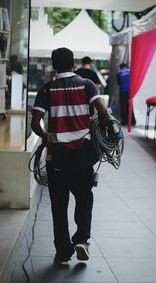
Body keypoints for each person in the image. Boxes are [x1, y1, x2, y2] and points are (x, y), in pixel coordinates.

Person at [31, 47, 109, 265]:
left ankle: (63, 252)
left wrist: (47, 136)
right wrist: (98, 132)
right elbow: (103, 113)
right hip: (83, 154)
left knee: (58, 204)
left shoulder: (47, 90)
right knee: (84, 198)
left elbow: (35, 123)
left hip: (58, 156)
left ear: (54, 66)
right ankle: (82, 240)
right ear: (73, 63)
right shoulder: (86, 84)